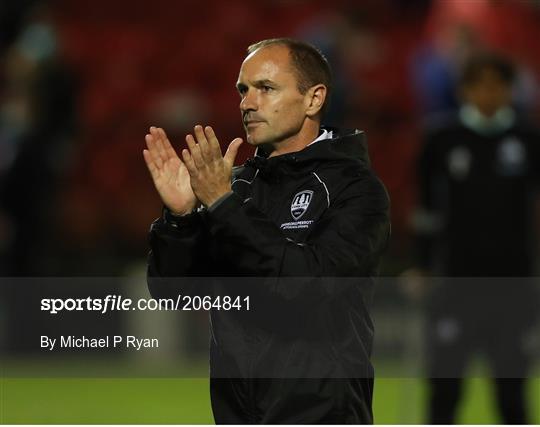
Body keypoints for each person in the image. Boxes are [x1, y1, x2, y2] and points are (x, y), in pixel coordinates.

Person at [143, 38, 390, 424]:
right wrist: (181, 219)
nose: (247, 103)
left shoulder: (355, 188)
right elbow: (177, 295)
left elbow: (307, 285)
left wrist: (224, 206)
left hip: (321, 414)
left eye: (266, 88)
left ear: (314, 99)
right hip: (236, 413)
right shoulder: (235, 187)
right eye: (243, 90)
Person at [413, 52, 540, 424]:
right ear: (464, 91)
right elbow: (425, 209)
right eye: (479, 84)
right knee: (445, 387)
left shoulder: (528, 139)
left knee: (511, 389)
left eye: (497, 85)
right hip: (454, 282)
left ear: (510, 91)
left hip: (513, 283)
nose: (488, 93)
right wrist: (422, 265)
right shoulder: (441, 139)